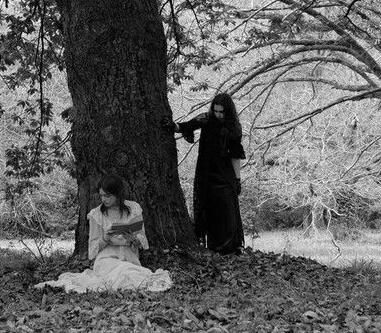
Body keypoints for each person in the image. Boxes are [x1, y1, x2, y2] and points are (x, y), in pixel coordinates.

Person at [34, 175, 172, 292]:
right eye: (101, 196)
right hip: (106, 261)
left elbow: (143, 243)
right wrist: (105, 238)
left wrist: (133, 239)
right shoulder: (96, 214)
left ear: (118, 194)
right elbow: (92, 251)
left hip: (130, 258)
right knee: (124, 272)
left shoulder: (134, 209)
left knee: (133, 273)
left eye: (107, 195)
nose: (103, 199)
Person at [173, 92, 246, 254]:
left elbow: (235, 155)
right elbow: (186, 126)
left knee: (228, 210)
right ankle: (213, 247)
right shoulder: (206, 119)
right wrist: (173, 126)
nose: (218, 114)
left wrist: (238, 179)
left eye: (222, 112)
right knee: (210, 210)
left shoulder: (234, 126)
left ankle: (230, 248)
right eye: (216, 111)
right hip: (206, 172)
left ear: (228, 111)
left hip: (225, 173)